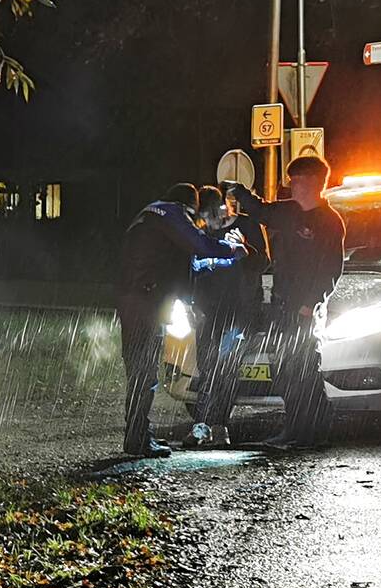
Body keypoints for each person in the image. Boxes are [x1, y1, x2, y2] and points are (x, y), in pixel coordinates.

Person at [115, 184, 243, 457]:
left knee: (141, 371)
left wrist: (217, 262)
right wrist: (231, 250)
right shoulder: (170, 213)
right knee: (143, 372)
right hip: (143, 303)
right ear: (190, 207)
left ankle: (137, 435)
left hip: (136, 300)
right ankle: (137, 439)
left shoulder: (152, 218)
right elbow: (196, 244)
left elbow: (184, 264)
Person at [226, 154, 345, 448]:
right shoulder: (289, 212)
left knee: (304, 370)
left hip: (306, 309)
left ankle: (310, 430)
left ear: (314, 183)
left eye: (297, 181)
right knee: (287, 370)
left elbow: (332, 268)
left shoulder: (329, 222)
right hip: (282, 303)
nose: (292, 186)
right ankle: (296, 429)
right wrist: (238, 191)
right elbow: (260, 211)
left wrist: (312, 302)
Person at [187, 184, 266, 447]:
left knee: (226, 366)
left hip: (239, 309)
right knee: (207, 366)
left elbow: (263, 262)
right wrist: (192, 303)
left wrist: (245, 249)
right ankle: (209, 427)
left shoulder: (246, 226)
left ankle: (214, 427)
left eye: (207, 216)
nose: (205, 223)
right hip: (207, 310)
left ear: (222, 208)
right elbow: (192, 271)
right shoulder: (201, 232)